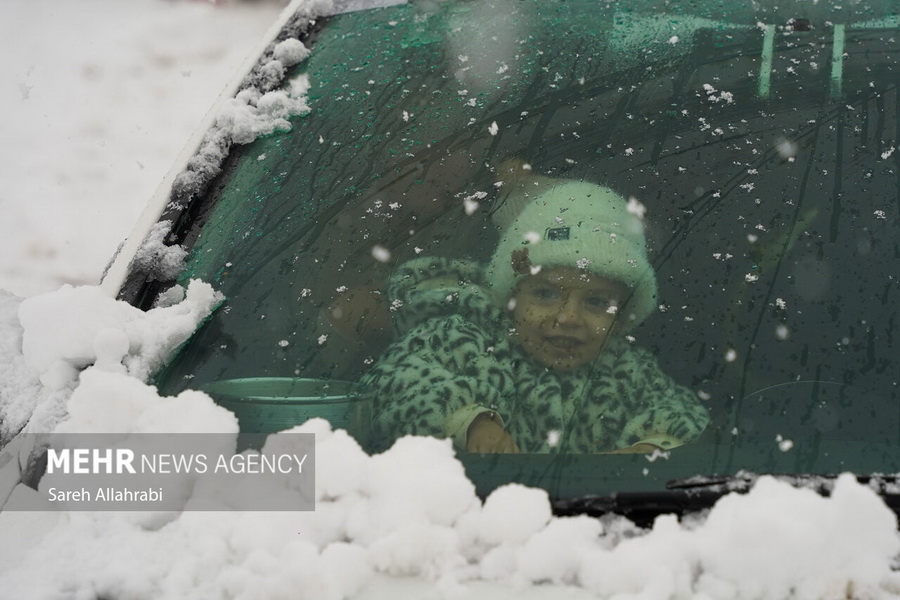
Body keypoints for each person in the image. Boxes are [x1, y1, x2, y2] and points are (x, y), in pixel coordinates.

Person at [361, 178, 710, 453]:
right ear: (512, 297)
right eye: (545, 294)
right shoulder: (459, 340)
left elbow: (684, 417)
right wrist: (467, 422)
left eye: (596, 303)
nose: (568, 317)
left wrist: (651, 448)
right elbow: (388, 388)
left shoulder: (628, 372)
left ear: (620, 320)